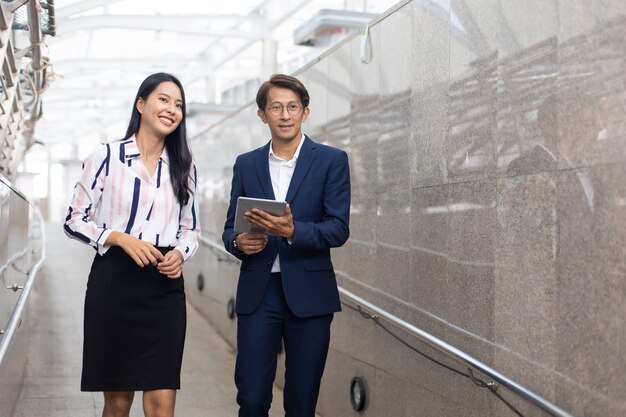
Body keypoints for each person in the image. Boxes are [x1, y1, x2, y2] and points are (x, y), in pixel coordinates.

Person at [64, 72, 199, 417]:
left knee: (162, 402)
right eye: (164, 99)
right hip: (116, 282)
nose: (172, 109)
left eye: (179, 104)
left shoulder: (184, 165)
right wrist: (117, 237)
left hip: (164, 287)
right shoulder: (106, 156)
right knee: (118, 401)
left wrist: (181, 254)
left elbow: (190, 229)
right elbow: (73, 219)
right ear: (141, 104)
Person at [222, 73, 351, 417]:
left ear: (305, 112)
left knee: (301, 402)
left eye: (293, 107)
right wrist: (239, 242)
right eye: (276, 107)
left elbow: (338, 229)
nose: (285, 115)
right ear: (262, 114)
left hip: (310, 294)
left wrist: (294, 231)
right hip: (259, 294)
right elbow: (227, 231)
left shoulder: (331, 161)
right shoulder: (246, 164)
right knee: (251, 399)